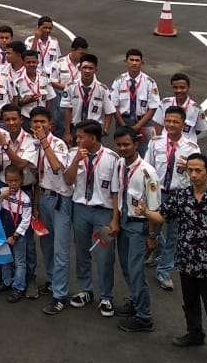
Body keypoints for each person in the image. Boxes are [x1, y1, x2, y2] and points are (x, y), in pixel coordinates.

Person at [146, 153, 207, 363]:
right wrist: (145, 211)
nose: (194, 175)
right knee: (190, 302)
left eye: (199, 170)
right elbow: (162, 217)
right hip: (186, 261)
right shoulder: (181, 196)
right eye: (190, 170)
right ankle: (194, 334)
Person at [64, 120, 121, 317]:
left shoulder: (112, 159)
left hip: (103, 212)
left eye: (81, 137)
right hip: (80, 209)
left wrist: (115, 219)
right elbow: (68, 180)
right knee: (81, 251)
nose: (77, 140)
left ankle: (106, 296)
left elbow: (115, 192)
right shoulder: (74, 154)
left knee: (105, 256)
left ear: (93, 138)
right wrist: (75, 162)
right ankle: (85, 289)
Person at [144, 107, 201, 290]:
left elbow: (198, 175)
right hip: (158, 192)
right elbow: (148, 168)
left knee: (174, 234)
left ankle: (164, 270)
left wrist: (189, 170)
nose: (171, 125)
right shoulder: (155, 142)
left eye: (175, 122)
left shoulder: (191, 147)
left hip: (179, 195)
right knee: (152, 227)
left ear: (183, 124)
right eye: (168, 121)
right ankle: (158, 250)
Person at [113, 127, 161, 334]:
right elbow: (117, 194)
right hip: (124, 221)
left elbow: (153, 207)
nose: (122, 148)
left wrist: (151, 235)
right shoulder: (120, 164)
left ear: (136, 144)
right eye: (119, 145)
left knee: (135, 270)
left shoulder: (147, 172)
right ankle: (135, 300)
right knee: (126, 266)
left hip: (139, 226)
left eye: (126, 144)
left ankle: (144, 317)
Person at [29, 108, 75, 315]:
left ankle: (60, 295)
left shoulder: (57, 144)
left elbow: (57, 167)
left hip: (60, 200)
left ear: (50, 125)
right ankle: (51, 280)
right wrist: (36, 206)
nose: (38, 125)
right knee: (46, 244)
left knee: (60, 249)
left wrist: (45, 143)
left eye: (42, 122)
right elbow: (38, 179)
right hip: (44, 198)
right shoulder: (33, 145)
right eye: (35, 122)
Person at [0, 165, 33, 302]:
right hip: (4, 231)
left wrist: (16, 236)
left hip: (18, 235)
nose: (12, 184)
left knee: (19, 262)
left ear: (21, 181)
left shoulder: (25, 199)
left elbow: (26, 220)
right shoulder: (2, 192)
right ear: (5, 180)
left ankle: (19, 287)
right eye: (10, 181)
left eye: (16, 181)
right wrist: (0, 198)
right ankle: (6, 282)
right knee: (5, 258)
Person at [109, 48, 162, 140]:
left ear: (142, 63)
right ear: (126, 61)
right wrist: (124, 126)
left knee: (146, 151)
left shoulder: (150, 82)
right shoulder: (119, 81)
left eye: (137, 60)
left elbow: (153, 107)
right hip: (123, 121)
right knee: (124, 150)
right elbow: (114, 106)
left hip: (144, 121)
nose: (134, 63)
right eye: (131, 60)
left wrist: (138, 126)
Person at [63, 53, 111, 146]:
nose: (87, 71)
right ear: (79, 68)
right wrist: (67, 132)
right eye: (84, 68)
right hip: (75, 129)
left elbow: (109, 111)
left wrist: (105, 130)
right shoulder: (70, 87)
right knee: (74, 155)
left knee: (95, 156)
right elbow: (67, 110)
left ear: (95, 70)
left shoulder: (102, 89)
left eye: (90, 68)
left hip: (94, 130)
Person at [161, 72, 207, 142]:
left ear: (188, 88)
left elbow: (199, 130)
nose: (179, 90)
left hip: (186, 148)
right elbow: (159, 125)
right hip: (166, 143)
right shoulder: (164, 103)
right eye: (175, 87)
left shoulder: (196, 109)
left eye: (182, 87)